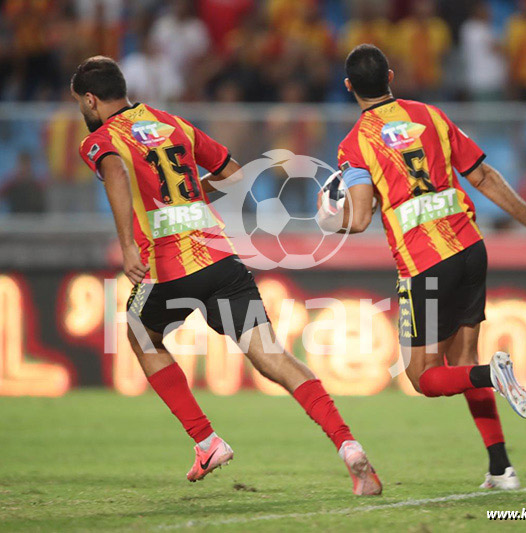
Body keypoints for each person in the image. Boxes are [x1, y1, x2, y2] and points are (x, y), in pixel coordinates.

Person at [71, 56, 381, 495]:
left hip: (166, 265)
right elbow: (234, 174)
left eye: (81, 106)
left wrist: (126, 245)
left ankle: (206, 440)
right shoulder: (172, 124)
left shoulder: (101, 139)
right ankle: (348, 445)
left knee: (142, 333)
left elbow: (117, 174)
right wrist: (195, 194)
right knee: (274, 357)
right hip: (219, 257)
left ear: (89, 99)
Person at [318, 44, 526, 490]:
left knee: (424, 377)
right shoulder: (431, 116)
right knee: (463, 359)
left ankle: (492, 376)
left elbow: (359, 218)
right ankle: (501, 468)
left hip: (425, 265)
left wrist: (328, 218)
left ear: (348, 89)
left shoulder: (355, 144)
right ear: (392, 77)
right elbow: (482, 175)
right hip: (471, 247)